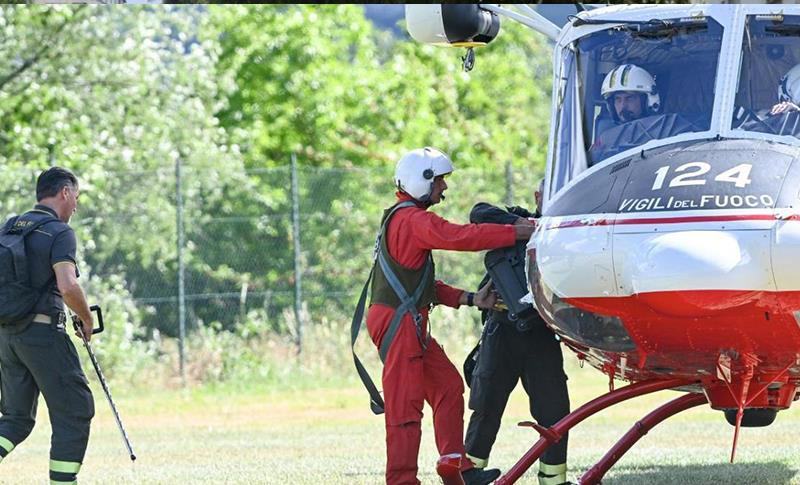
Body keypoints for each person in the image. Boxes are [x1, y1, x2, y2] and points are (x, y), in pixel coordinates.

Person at [365, 147, 534, 485]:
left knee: (447, 386)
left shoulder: (402, 218)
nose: (444, 188)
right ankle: (402, 481)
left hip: (406, 320)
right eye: (440, 180)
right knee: (405, 408)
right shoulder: (412, 219)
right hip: (399, 323)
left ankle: (457, 468)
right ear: (421, 180)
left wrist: (472, 298)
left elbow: (424, 285)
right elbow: (459, 236)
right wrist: (516, 232)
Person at [464, 182, 571, 485]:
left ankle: (553, 480)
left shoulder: (568, 230)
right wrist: (524, 228)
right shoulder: (517, 218)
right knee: (487, 405)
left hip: (542, 336)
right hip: (501, 332)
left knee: (555, 412)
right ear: (538, 198)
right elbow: (479, 212)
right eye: (545, 194)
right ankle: (469, 472)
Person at [0, 167, 95, 485]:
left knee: (15, 420)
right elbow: (68, 286)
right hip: (42, 335)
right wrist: (87, 317)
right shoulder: (59, 232)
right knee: (75, 410)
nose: (76, 207)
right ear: (65, 192)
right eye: (76, 198)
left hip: (7, 336)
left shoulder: (10, 228)